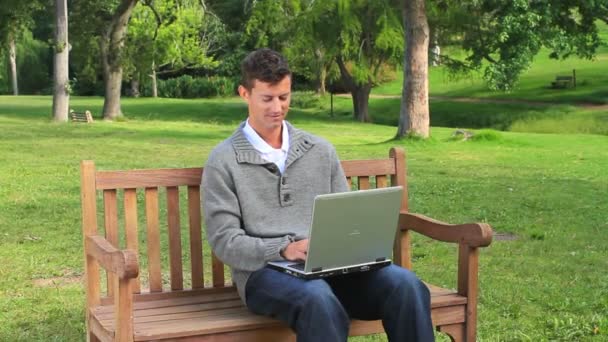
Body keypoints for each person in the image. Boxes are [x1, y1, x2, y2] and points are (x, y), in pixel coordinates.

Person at [201, 48, 434, 342]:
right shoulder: (223, 161)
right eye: (267, 98)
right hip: (264, 274)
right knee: (317, 298)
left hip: (334, 270)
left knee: (406, 285)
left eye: (284, 97)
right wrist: (284, 249)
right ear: (244, 93)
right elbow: (225, 242)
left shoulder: (320, 150)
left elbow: (347, 219)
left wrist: (354, 243)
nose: (277, 107)